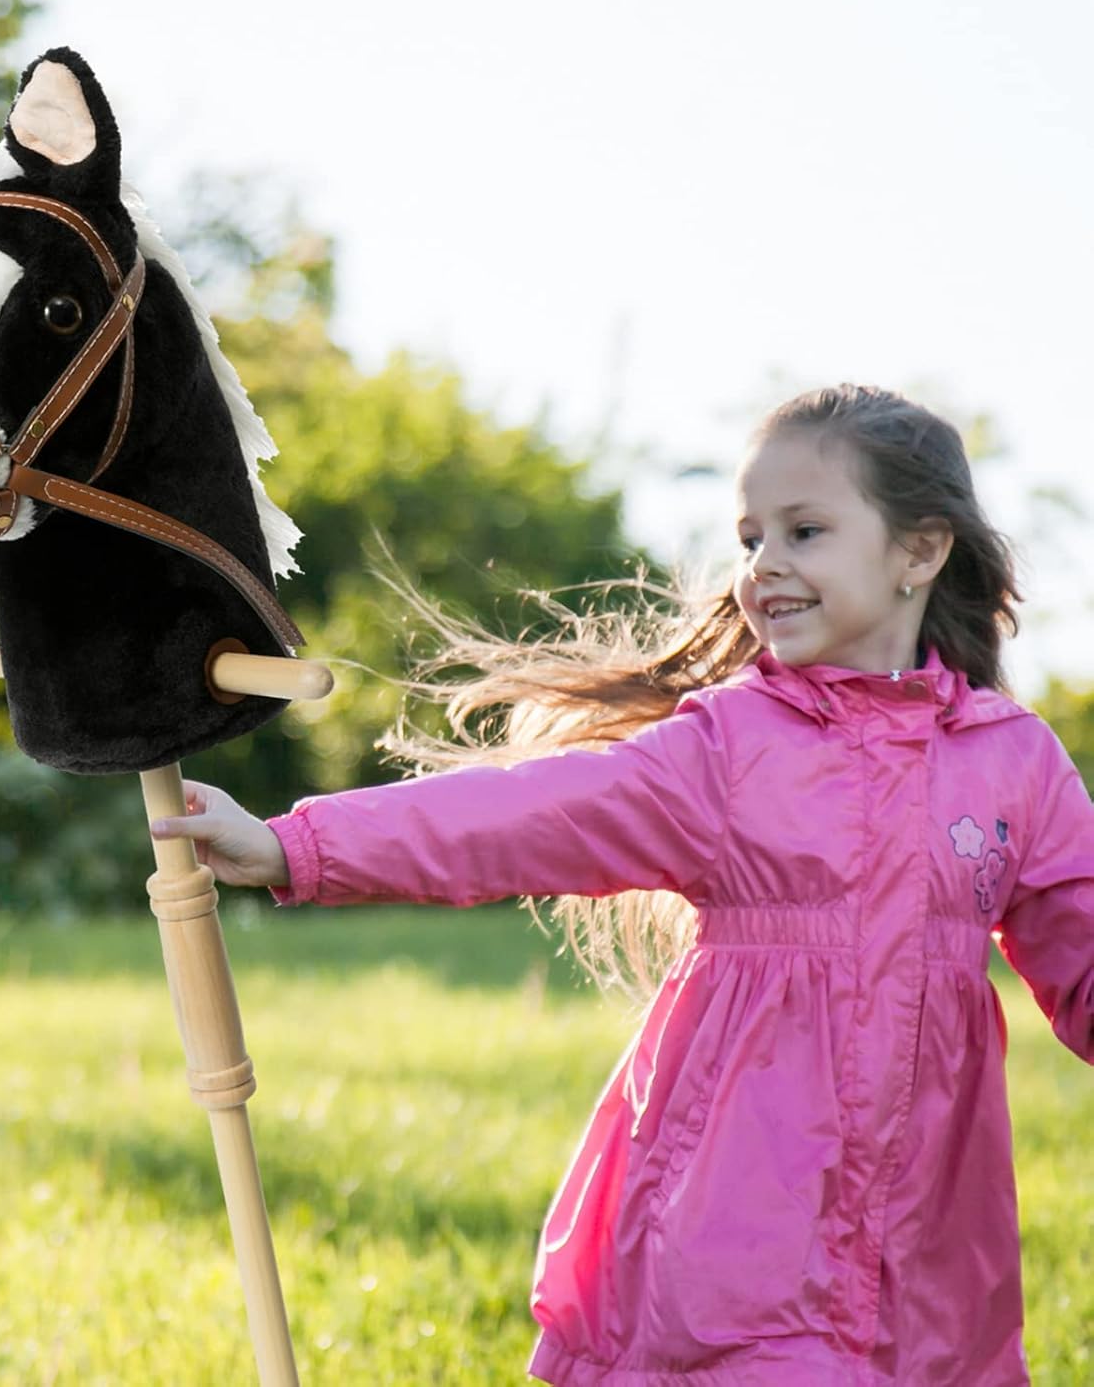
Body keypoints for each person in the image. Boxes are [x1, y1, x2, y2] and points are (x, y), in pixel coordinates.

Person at [151, 384, 1094, 1385]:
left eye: (804, 531)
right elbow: (523, 815)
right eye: (749, 538)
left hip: (933, 1258)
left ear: (920, 551)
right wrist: (302, 847)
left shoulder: (1012, 764)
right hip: (738, 1229)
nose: (764, 567)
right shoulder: (730, 749)